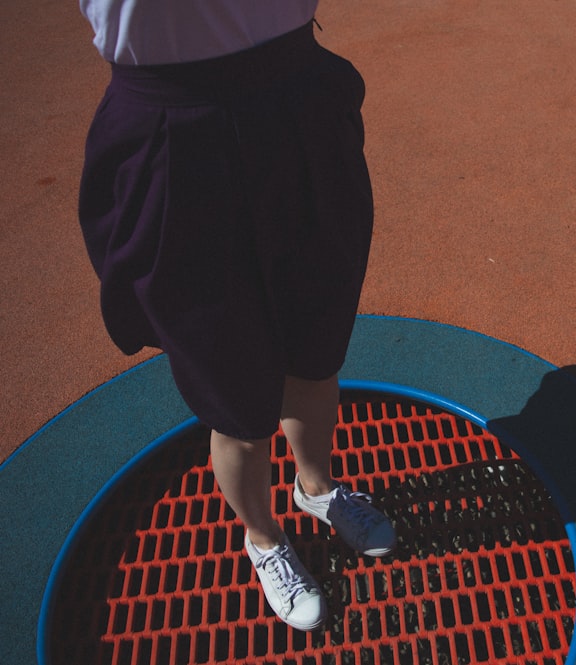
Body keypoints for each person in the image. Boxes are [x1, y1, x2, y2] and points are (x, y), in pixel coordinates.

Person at [77, 1, 395, 631]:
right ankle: (263, 538)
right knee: (234, 394)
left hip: (298, 101)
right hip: (173, 127)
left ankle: (317, 489)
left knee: (316, 351)